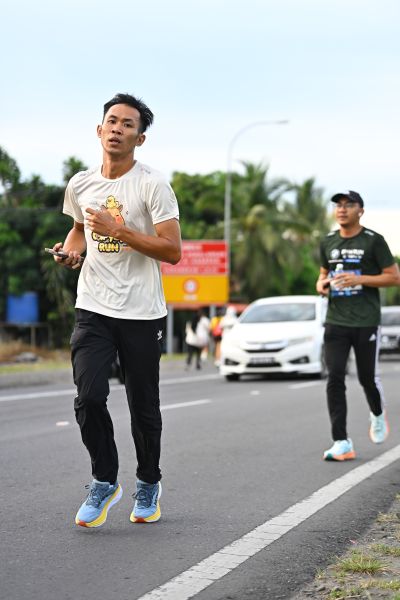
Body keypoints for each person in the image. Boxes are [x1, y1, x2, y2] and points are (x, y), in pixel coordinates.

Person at [51, 93, 181, 527]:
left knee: (143, 405)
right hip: (93, 307)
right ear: (99, 129)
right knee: (88, 397)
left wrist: (119, 230)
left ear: (139, 139)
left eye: (128, 124)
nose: (117, 129)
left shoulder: (152, 184)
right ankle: (104, 480)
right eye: (112, 121)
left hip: (142, 312)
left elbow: (172, 250)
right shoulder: (80, 184)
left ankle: (148, 481)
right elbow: (78, 230)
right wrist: (71, 252)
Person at [316, 190, 400, 461]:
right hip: (336, 320)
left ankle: (377, 413)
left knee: (366, 378)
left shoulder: (374, 241)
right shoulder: (327, 241)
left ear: (360, 211)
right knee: (334, 377)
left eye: (349, 205)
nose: (342, 209)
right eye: (338, 205)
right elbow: (322, 275)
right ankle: (341, 442)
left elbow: (393, 277)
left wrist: (360, 279)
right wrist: (322, 285)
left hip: (366, 321)